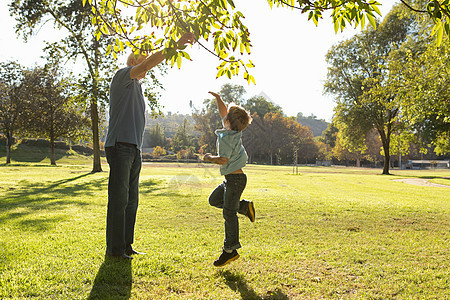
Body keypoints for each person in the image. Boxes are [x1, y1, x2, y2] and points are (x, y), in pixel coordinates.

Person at [104, 32, 195, 260]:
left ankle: (126, 246)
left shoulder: (138, 87)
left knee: (132, 200)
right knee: (119, 199)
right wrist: (175, 45)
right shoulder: (122, 76)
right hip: (119, 146)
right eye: (143, 61)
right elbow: (151, 62)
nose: (147, 66)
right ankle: (114, 250)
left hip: (133, 148)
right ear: (134, 61)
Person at [203, 91, 255, 267]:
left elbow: (223, 160)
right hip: (231, 179)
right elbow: (225, 113)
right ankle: (244, 206)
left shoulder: (226, 139)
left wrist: (209, 158)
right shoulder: (233, 131)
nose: (223, 116)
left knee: (228, 213)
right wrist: (218, 98)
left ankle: (230, 250)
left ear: (227, 123)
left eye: (226, 116)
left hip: (235, 181)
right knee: (214, 200)